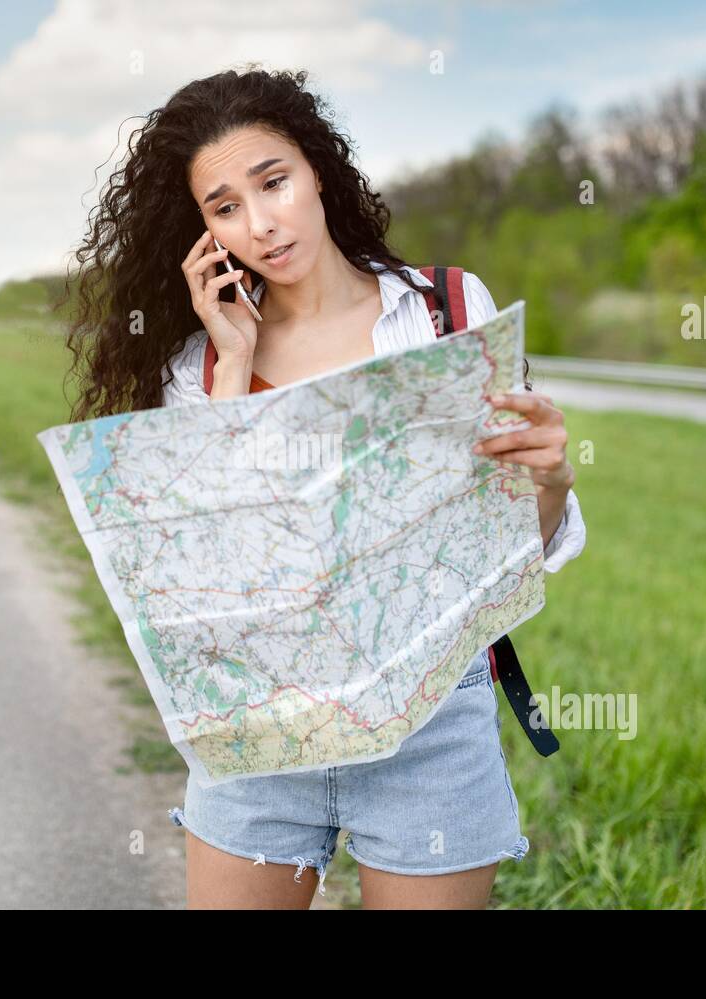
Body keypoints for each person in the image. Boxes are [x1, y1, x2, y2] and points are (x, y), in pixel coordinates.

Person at [62, 66, 586, 909]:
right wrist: (233, 369)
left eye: (273, 182)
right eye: (225, 206)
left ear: (317, 170)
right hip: (262, 718)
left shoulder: (445, 311)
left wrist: (551, 475)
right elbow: (215, 576)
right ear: (202, 233)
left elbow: (510, 551)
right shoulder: (198, 366)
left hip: (430, 714)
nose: (261, 222)